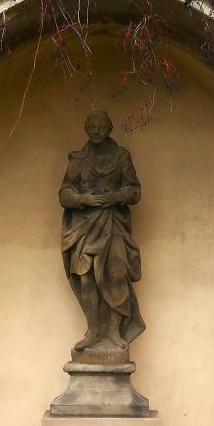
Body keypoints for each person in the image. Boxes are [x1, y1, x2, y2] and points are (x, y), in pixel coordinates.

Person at [58, 109, 146, 353]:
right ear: (86, 128)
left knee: (117, 273)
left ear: (109, 129)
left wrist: (115, 196)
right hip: (85, 227)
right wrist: (83, 199)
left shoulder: (121, 157)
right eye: (92, 126)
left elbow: (135, 191)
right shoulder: (78, 160)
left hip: (113, 223)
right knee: (86, 278)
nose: (97, 130)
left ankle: (114, 331)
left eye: (101, 126)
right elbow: (64, 194)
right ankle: (94, 331)